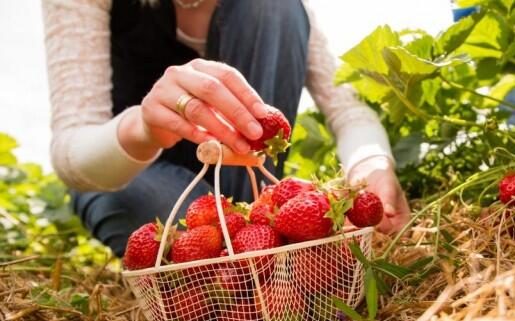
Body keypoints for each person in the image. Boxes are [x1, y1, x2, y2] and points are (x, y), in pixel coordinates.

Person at [42, 0, 410, 257]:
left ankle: (254, 238)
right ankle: (255, 253)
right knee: (181, 229)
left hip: (242, 184)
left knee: (274, 6)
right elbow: (71, 152)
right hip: (130, 172)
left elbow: (347, 110)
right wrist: (143, 127)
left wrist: (371, 164)